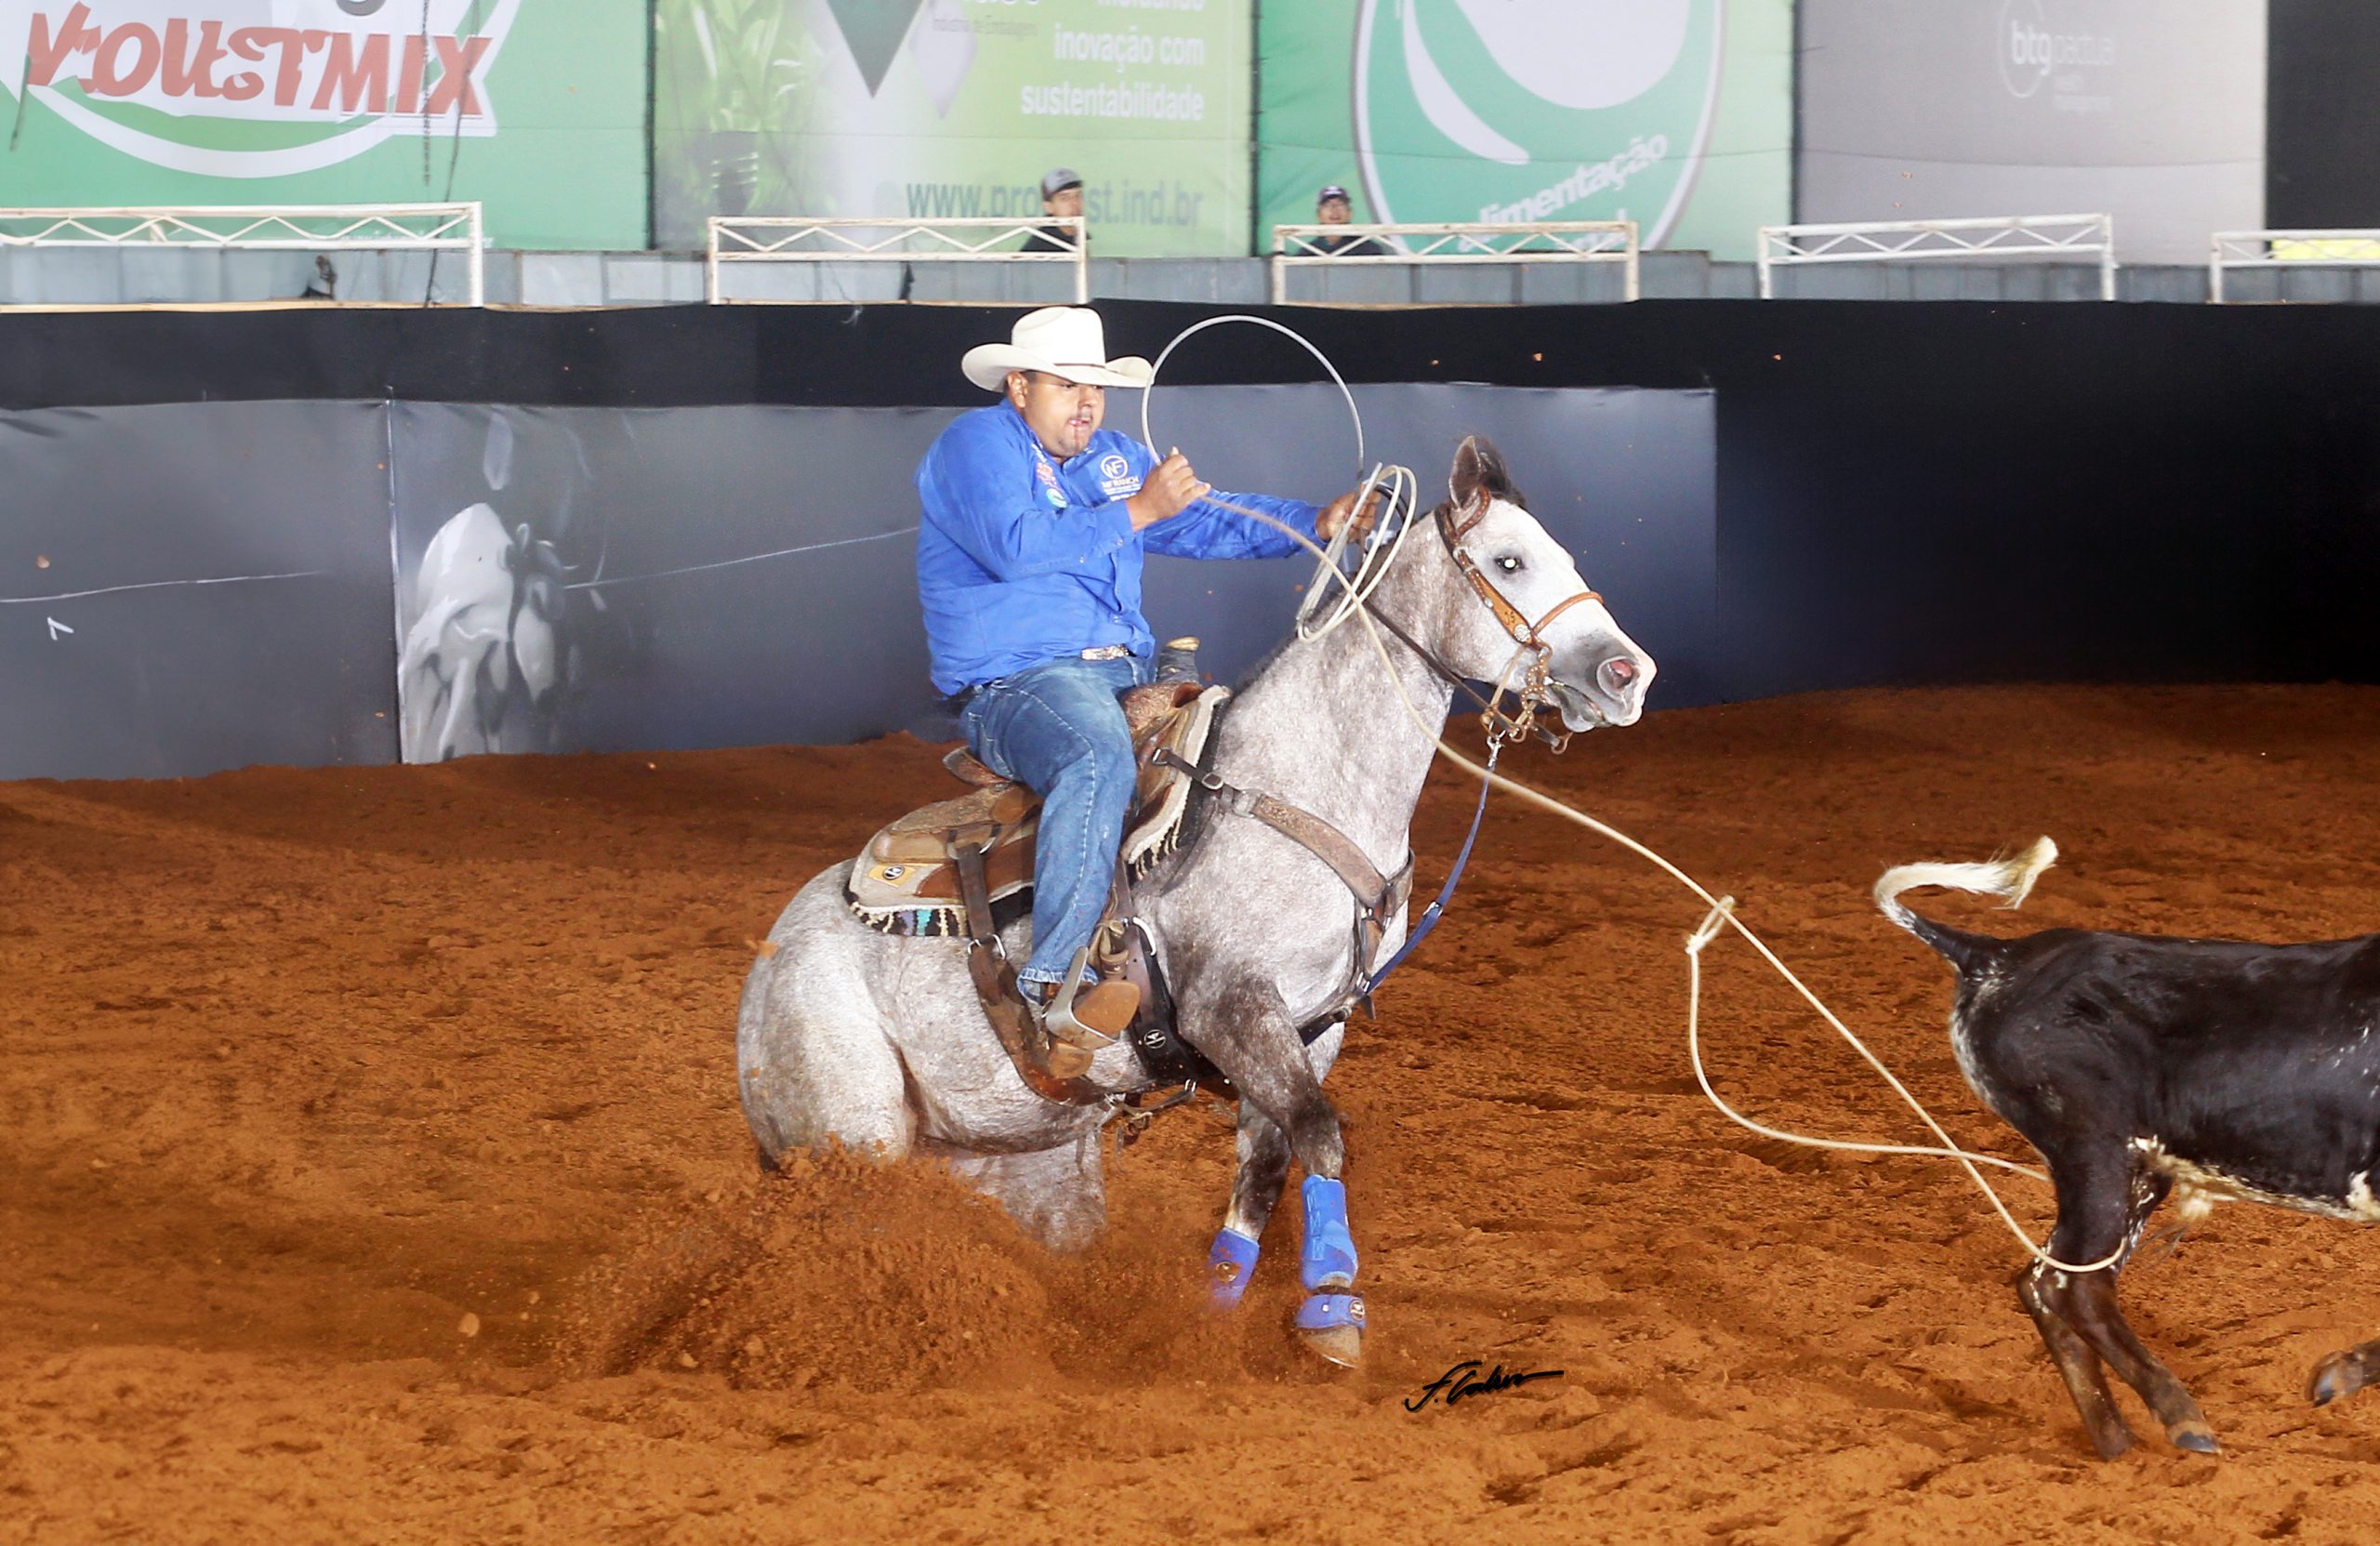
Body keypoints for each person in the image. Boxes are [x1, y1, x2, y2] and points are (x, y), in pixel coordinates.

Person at [916, 307, 1373, 1060]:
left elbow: (1201, 521)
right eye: (1066, 385)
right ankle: (1055, 987)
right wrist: (1138, 508)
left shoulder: (1115, 456)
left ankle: (1205, 958)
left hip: (1124, 671)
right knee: (1095, 758)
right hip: (1017, 682)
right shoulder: (973, 445)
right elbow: (1015, 547)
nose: (1086, 402)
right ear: (1020, 386)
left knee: (1237, 751)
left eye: (1094, 386)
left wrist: (1312, 522)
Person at [1309, 184, 1391, 258]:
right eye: (1327, 205)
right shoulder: (1309, 251)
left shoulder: (1368, 249)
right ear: (1319, 215)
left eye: (1340, 205)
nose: (1334, 210)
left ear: (1350, 213)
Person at [1024, 167, 1087, 254]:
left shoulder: (1077, 235)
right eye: (1064, 198)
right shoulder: (1042, 247)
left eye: (1077, 196)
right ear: (1048, 207)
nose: (1074, 203)